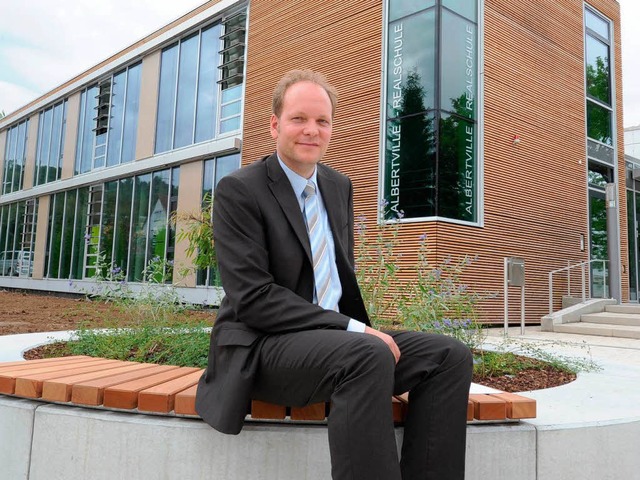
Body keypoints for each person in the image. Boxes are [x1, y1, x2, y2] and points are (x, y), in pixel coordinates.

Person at [195, 69, 473, 480]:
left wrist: (354, 330)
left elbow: (337, 278)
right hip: (263, 348)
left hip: (332, 345)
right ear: (274, 125)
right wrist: (355, 331)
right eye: (298, 119)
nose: (311, 130)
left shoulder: (336, 186)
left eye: (322, 121)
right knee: (367, 352)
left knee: (449, 356)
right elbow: (253, 299)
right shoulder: (240, 190)